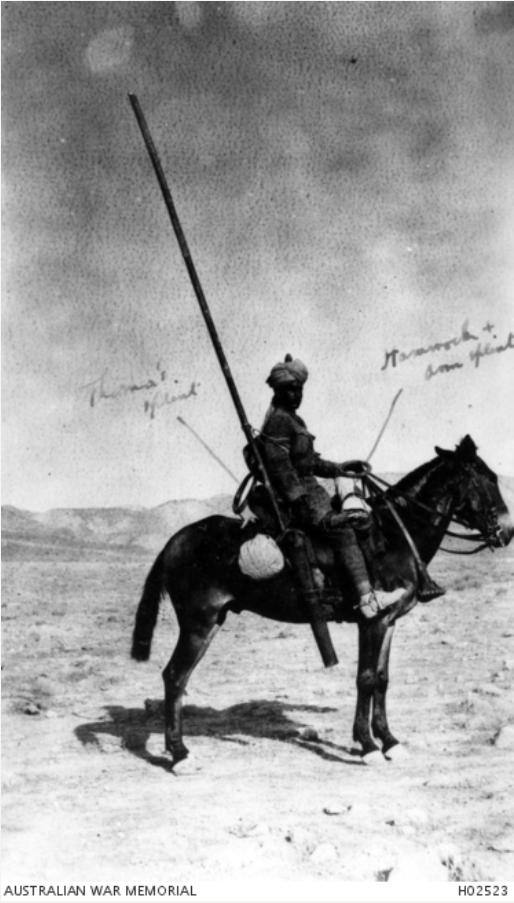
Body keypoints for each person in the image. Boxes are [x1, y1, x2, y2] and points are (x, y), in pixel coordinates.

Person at [260, 354, 406, 619]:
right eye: (290, 389)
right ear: (279, 391)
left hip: (313, 494)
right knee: (344, 530)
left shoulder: (294, 421)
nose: (296, 394)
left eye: (299, 389)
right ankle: (366, 600)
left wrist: (341, 469)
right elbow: (281, 469)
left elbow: (310, 463)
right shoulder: (280, 421)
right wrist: (302, 505)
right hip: (296, 501)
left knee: (361, 517)